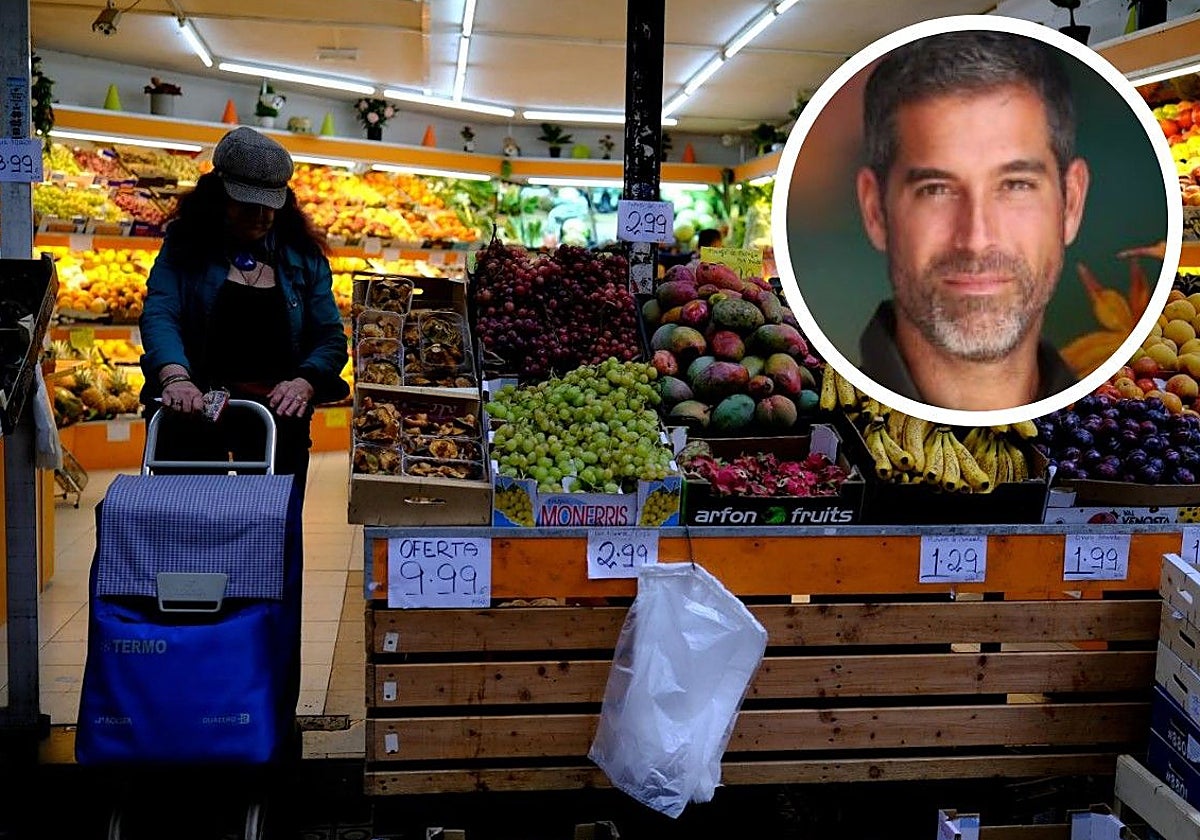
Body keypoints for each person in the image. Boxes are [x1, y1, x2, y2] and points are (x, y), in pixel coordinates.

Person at [853, 30, 1090, 411]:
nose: (977, 240)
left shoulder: (1118, 423)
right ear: (875, 210)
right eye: (935, 189)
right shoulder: (826, 419)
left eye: (1015, 185)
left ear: (1071, 204)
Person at [138, 126, 349, 504]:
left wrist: (305, 381)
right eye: (248, 203)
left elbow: (330, 336)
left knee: (272, 529)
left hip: (278, 417)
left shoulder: (302, 257)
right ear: (218, 196)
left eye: (272, 203)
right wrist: (175, 377)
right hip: (191, 407)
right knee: (189, 520)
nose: (262, 215)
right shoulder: (184, 249)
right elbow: (161, 312)